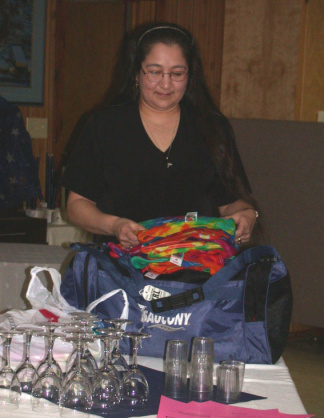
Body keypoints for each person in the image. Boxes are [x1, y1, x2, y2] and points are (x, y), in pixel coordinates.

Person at [62, 22, 259, 250]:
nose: (166, 84)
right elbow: (77, 205)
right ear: (136, 73)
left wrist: (247, 215)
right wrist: (114, 225)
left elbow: (230, 201)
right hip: (122, 267)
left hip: (196, 268)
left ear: (190, 75)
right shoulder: (104, 125)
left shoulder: (212, 127)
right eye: (154, 72)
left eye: (177, 73)